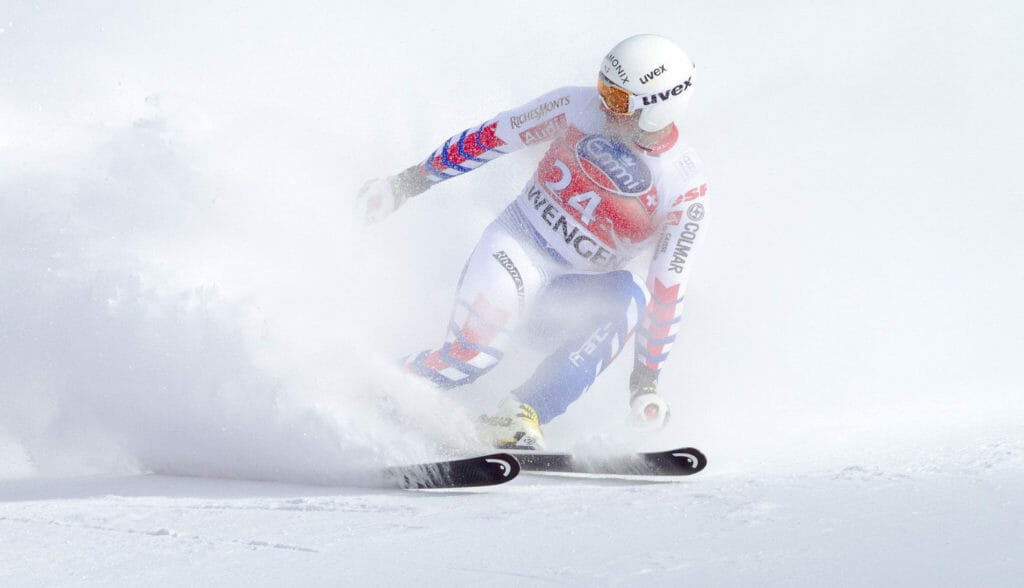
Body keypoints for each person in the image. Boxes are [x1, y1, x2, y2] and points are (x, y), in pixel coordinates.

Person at [356, 34, 710, 450]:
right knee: (472, 359)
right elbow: (492, 138)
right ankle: (371, 391)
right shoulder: (575, 107)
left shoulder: (683, 183)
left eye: (616, 99)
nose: (602, 104)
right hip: (516, 251)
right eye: (602, 87)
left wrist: (646, 381)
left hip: (568, 299)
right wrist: (405, 184)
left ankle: (520, 413)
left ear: (655, 109)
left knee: (631, 296)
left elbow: (667, 285)